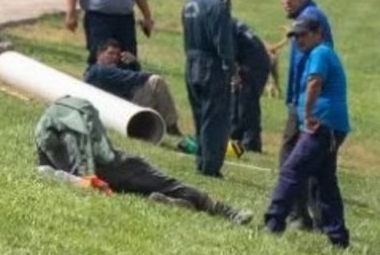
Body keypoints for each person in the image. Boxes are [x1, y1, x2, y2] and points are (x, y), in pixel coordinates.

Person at [33, 95, 251, 226]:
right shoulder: (51, 135)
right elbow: (48, 169)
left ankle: (220, 209)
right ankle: (185, 205)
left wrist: (86, 181)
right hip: (113, 175)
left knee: (164, 185)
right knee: (160, 188)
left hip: (120, 168)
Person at [264, 16, 350, 248]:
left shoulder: (320, 53)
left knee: (291, 170)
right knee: (324, 182)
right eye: (295, 36)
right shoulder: (321, 53)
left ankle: (273, 223)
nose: (298, 40)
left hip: (321, 125)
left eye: (303, 35)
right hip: (331, 127)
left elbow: (314, 82)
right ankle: (338, 237)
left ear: (317, 33)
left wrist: (309, 113)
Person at [267, 0, 333, 228]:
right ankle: (321, 220)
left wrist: (301, 103)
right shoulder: (306, 18)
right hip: (305, 101)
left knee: (291, 159)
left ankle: (297, 215)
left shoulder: (310, 18)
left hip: (307, 103)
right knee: (315, 163)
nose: (286, 0)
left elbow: (316, 66)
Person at [181, 0, 236, 177]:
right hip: (211, 66)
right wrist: (230, 67)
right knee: (214, 118)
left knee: (199, 115)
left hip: (191, 62)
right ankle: (210, 166)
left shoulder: (189, 3)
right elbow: (223, 42)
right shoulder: (217, 6)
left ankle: (200, 159)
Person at [82, 39, 183, 138]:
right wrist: (136, 64)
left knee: (152, 88)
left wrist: (133, 64)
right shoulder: (101, 71)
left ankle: (164, 125)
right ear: (99, 54)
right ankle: (171, 126)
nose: (114, 57)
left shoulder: (94, 70)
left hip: (118, 110)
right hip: (122, 113)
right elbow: (135, 78)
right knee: (155, 81)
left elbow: (131, 81)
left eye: (117, 55)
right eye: (110, 53)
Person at [230, 21, 272, 154]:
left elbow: (229, 53)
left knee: (247, 104)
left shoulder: (224, 27)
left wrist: (235, 74)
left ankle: (251, 143)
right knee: (236, 99)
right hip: (248, 61)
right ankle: (235, 137)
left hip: (254, 65)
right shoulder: (228, 23)